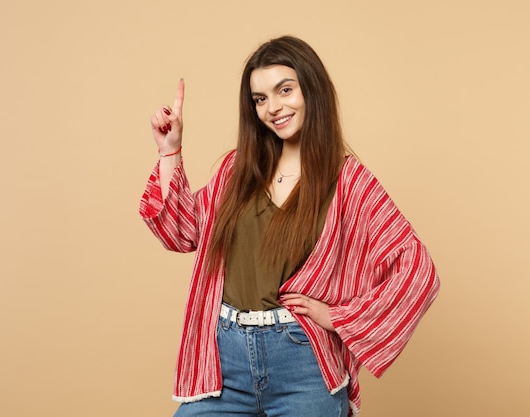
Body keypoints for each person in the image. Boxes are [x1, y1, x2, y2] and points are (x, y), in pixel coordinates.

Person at [140, 36, 440, 417]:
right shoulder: (238, 170)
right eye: (260, 98)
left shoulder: (348, 181)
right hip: (224, 361)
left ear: (311, 90)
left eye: (284, 90)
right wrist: (170, 151)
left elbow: (418, 271)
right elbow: (181, 232)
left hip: (301, 362)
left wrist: (338, 317)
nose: (273, 107)